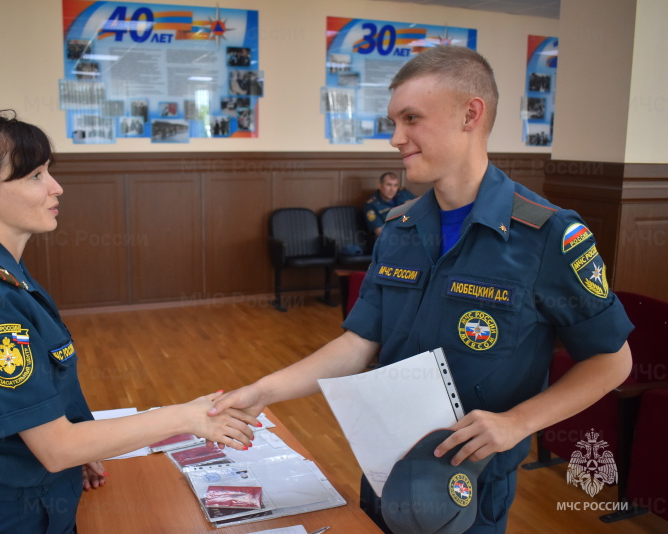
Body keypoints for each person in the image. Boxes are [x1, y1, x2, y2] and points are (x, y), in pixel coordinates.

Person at [208, 45, 633, 533]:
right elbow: (360, 342)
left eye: (411, 118)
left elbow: (612, 360)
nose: (395, 138)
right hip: (385, 470)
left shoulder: (547, 234)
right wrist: (264, 390)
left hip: (466, 490)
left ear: (470, 114)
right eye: (393, 121)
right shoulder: (401, 227)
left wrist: (518, 422)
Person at [0, 111, 256, 534]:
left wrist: (78, 450)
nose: (56, 187)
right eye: (35, 176)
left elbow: (46, 422)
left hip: (42, 488)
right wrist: (187, 417)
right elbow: (55, 448)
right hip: (21, 512)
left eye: (49, 172)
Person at [363, 171, 416, 236]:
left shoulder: (404, 194)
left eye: (395, 185)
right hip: (391, 240)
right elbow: (380, 232)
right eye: (389, 185)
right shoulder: (371, 204)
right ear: (380, 186)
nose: (392, 189)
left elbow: (421, 206)